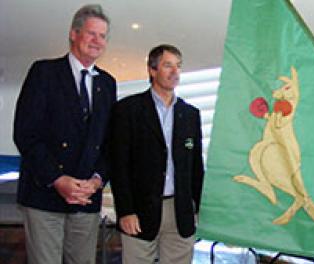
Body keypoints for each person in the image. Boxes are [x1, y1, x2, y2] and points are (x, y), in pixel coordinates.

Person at [13, 4, 116, 264]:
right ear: (74, 34)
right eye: (92, 34)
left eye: (103, 36)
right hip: (45, 194)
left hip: (86, 198)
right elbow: (26, 134)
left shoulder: (107, 83)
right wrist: (58, 179)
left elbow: (109, 141)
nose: (97, 41)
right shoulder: (44, 72)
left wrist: (96, 180)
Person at [108, 44, 204, 264]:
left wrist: (200, 209)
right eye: (167, 65)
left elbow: (195, 167)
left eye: (178, 66)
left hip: (180, 212)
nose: (175, 72)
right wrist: (125, 211)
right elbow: (118, 165)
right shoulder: (128, 110)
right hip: (140, 211)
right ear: (152, 70)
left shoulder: (190, 114)